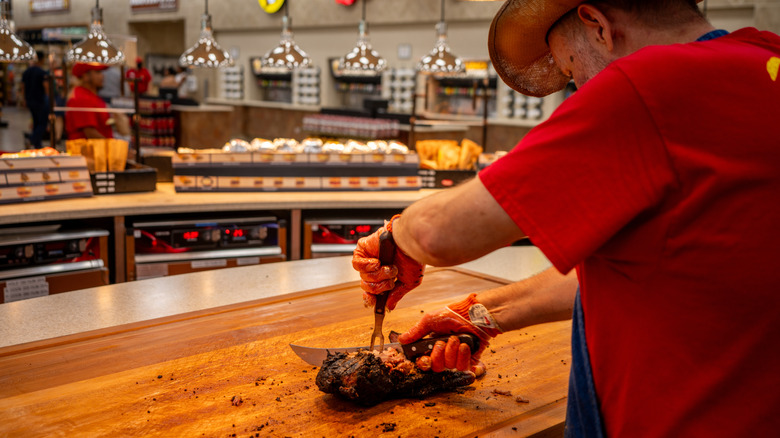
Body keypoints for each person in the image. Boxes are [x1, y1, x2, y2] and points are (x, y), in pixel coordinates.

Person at [351, 0, 780, 437]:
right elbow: (662, 266)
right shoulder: (766, 65)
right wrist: (482, 314)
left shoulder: (650, 85)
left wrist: (395, 236)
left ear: (598, 27)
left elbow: (437, 233)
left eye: (572, 72)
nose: (579, 89)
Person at [65, 63, 113, 139]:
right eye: (98, 72)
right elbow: (90, 133)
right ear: (85, 76)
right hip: (88, 149)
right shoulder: (82, 98)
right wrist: (114, 147)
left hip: (98, 148)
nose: (102, 76)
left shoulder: (92, 96)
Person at [20, 51, 50, 148]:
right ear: (41, 59)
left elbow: (23, 86)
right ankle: (32, 140)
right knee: (42, 123)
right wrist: (50, 98)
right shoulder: (42, 72)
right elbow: (46, 87)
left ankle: (37, 144)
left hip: (30, 101)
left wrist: (24, 99)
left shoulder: (27, 71)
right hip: (40, 101)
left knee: (36, 122)